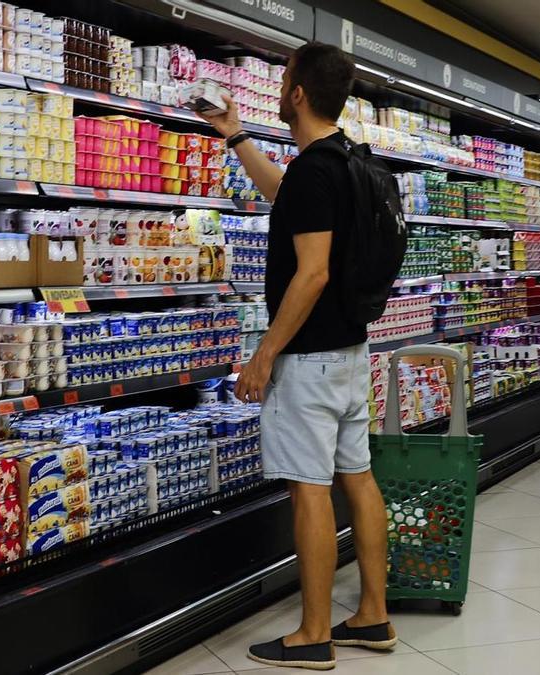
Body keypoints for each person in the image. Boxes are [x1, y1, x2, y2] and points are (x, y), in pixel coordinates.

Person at [199, 41, 395, 670]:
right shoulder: (347, 160)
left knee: (308, 490)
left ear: (299, 93)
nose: (281, 89)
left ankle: (313, 635)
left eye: (284, 79)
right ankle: (373, 615)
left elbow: (309, 275)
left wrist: (263, 354)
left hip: (308, 361)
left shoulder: (317, 168)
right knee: (358, 480)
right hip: (350, 353)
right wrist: (235, 135)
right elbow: (286, 194)